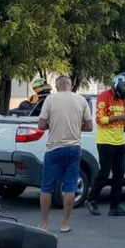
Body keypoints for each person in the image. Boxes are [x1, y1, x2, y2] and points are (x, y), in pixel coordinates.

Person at [36, 76, 93, 233]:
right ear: (71, 85)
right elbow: (89, 126)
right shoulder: (81, 100)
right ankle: (64, 224)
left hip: (54, 148)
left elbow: (41, 125)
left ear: (56, 86)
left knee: (46, 186)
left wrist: (53, 124)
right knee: (70, 186)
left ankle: (44, 223)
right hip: (74, 148)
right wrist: (75, 126)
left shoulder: (50, 100)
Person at [87, 72, 125, 217]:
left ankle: (115, 206)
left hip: (120, 141)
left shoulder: (122, 100)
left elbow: (123, 122)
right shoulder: (104, 96)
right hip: (106, 141)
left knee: (119, 175)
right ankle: (91, 200)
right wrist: (120, 117)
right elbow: (100, 119)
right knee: (104, 173)